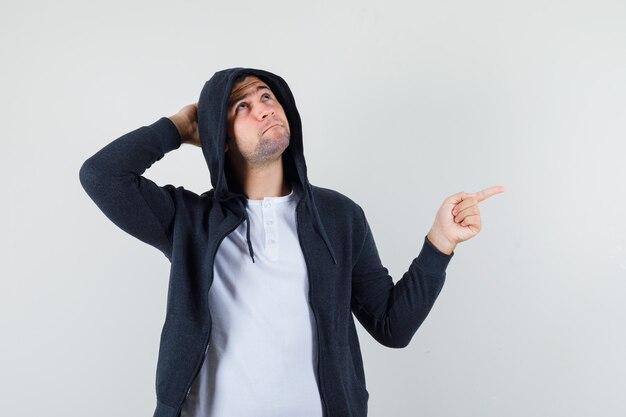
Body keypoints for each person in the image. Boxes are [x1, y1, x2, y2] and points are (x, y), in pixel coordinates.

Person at [79, 67, 504, 417]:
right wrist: (177, 127)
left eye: (266, 97)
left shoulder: (339, 216)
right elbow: (101, 176)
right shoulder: (189, 220)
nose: (263, 109)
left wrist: (439, 243)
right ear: (220, 139)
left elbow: (393, 327)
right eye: (241, 107)